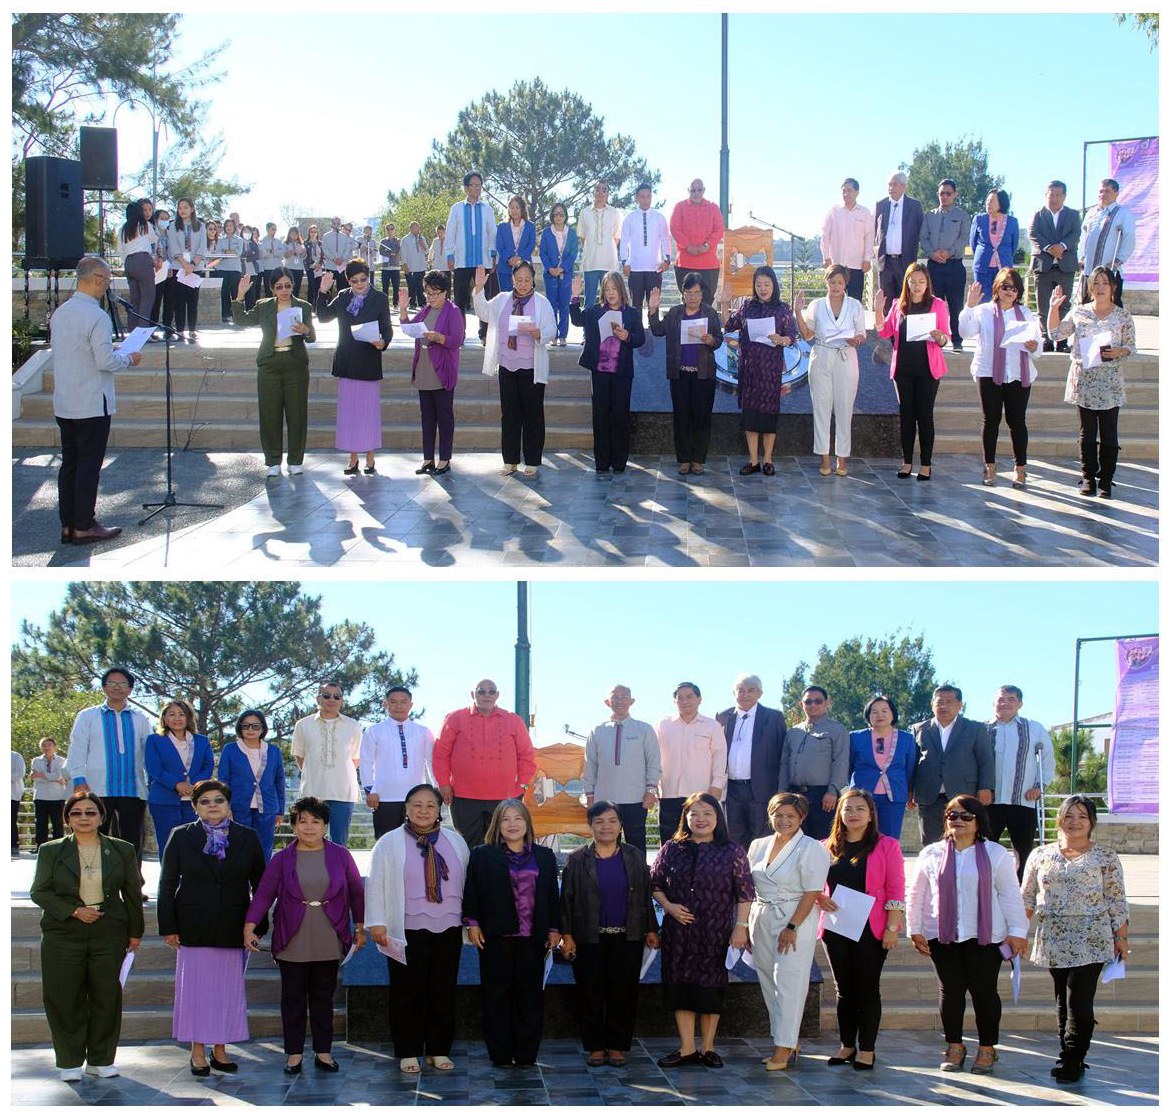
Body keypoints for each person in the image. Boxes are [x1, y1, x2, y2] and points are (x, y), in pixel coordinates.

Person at [907, 795, 1028, 1075]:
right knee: (950, 992)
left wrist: (1018, 931)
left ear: (978, 821)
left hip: (986, 936)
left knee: (984, 992)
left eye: (965, 816)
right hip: (941, 934)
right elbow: (917, 893)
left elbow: (1010, 894)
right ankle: (954, 1046)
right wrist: (914, 928)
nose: (958, 821)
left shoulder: (996, 854)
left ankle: (987, 1049)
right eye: (952, 815)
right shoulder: (931, 853)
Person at [245, 797, 366, 1075]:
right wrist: (250, 925)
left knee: (323, 998)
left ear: (325, 825)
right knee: (293, 999)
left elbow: (356, 893)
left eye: (316, 821)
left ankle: (324, 1052)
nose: (309, 827)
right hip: (292, 937)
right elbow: (263, 894)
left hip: (329, 935)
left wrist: (359, 927)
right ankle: (294, 1054)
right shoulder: (282, 859)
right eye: (303, 821)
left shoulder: (341, 855)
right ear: (294, 826)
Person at [31, 790, 144, 1081]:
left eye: (90, 812)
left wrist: (135, 933)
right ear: (67, 817)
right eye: (77, 812)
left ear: (101, 817)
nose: (84, 818)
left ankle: (101, 1059)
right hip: (64, 933)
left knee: (107, 996)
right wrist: (74, 911)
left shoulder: (123, 849)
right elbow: (39, 892)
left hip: (109, 932)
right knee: (64, 996)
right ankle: (69, 1061)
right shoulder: (51, 850)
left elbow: (132, 893)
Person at [157, 779, 266, 1076]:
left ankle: (221, 1049)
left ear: (229, 804)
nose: (212, 805)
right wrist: (168, 925)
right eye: (204, 801)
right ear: (195, 807)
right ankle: (197, 1050)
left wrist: (257, 926)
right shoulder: (181, 837)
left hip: (233, 925)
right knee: (196, 993)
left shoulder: (248, 837)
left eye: (218, 800)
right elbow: (167, 884)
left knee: (226, 992)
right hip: (193, 926)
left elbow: (261, 886)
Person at [1021, 795, 1129, 1084]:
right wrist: (1018, 933)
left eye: (1082, 816)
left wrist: (1121, 937)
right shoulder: (1040, 854)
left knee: (1078, 998)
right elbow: (1027, 896)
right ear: (1059, 820)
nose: (1075, 821)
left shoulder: (1105, 856)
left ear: (1091, 822)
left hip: (1092, 937)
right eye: (1069, 815)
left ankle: (1073, 1058)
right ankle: (1067, 1055)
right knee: (1061, 998)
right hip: (1053, 936)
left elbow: (1116, 899)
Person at [364, 783, 470, 1074]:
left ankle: (439, 1049)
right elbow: (375, 883)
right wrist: (377, 922)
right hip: (406, 928)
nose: (423, 810)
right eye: (417, 804)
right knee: (406, 991)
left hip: (448, 927)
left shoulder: (455, 841)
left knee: (443, 990)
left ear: (439, 811)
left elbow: (467, 883)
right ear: (406, 808)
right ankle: (408, 1050)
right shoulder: (389, 842)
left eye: (430, 805)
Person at [650, 792, 754, 1069]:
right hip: (679, 932)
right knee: (680, 987)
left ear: (718, 817)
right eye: (694, 813)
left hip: (715, 931)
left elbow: (745, 893)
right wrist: (669, 907)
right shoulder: (672, 848)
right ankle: (686, 1048)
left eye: (707, 812)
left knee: (711, 988)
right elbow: (656, 884)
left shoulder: (732, 851)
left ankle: (708, 1048)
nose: (701, 819)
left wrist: (740, 927)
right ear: (685, 817)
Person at [560, 800, 660, 1066]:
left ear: (620, 825)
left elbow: (645, 895)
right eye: (599, 821)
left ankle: (617, 1046)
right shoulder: (577, 858)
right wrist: (566, 935)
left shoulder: (635, 855)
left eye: (612, 820)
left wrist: (651, 928)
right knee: (590, 991)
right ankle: (594, 1046)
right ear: (590, 825)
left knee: (623, 992)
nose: (606, 826)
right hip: (588, 937)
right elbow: (566, 899)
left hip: (628, 936)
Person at [50, 256, 143, 543]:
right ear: (97, 279)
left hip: (66, 400)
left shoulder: (61, 313)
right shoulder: (97, 316)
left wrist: (111, 352)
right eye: (107, 280)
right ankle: (84, 525)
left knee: (70, 465)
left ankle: (68, 524)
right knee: (89, 466)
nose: (107, 286)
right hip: (91, 402)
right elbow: (105, 362)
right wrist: (128, 358)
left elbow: (78, 352)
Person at [462, 799, 560, 1067]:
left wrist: (554, 928)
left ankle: (527, 1054)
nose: (512, 824)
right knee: (496, 997)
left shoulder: (544, 856)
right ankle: (501, 1054)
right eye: (506, 819)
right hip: (495, 938)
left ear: (527, 822)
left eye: (518, 818)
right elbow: (472, 891)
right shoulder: (482, 854)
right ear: (497, 824)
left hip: (533, 938)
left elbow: (552, 895)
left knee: (530, 998)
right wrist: (472, 923)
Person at [816, 789, 906, 1072]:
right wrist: (820, 897)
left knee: (867, 988)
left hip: (872, 927)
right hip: (835, 926)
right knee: (844, 989)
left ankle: (867, 1048)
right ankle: (846, 1045)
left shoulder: (887, 846)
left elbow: (896, 888)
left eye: (859, 809)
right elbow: (812, 884)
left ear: (870, 815)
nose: (853, 814)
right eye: (847, 809)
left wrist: (893, 926)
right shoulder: (824, 846)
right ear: (839, 814)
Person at [747, 793, 829, 1070]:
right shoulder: (758, 845)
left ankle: (784, 1046)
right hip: (762, 915)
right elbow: (748, 887)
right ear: (770, 815)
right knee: (768, 979)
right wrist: (745, 924)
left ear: (801, 818)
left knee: (789, 982)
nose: (783, 821)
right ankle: (784, 1039)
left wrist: (792, 926)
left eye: (790, 816)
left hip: (795, 917)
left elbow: (812, 891)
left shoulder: (811, 848)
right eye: (778, 815)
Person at [1047, 267, 1136, 498]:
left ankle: (1106, 480)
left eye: (1105, 283)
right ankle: (1088, 477)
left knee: (1109, 434)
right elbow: (1056, 334)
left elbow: (1131, 347)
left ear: (1113, 288)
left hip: (1110, 382)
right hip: (1085, 380)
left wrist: (1119, 351)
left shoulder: (1122, 316)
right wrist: (1054, 308)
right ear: (1089, 288)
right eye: (1095, 283)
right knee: (1087, 433)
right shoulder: (1080, 312)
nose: (1100, 288)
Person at [473, 261, 557, 478]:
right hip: (507, 366)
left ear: (533, 280)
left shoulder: (542, 303)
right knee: (509, 415)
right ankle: (510, 460)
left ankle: (532, 460)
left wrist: (539, 332)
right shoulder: (502, 300)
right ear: (512, 279)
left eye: (527, 280)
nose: (522, 284)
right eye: (518, 279)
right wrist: (479, 289)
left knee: (533, 415)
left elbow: (552, 329)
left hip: (531, 366)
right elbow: (483, 312)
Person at [959, 268, 1040, 489]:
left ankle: (1020, 469)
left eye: (1014, 288)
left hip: (1017, 374)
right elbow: (965, 332)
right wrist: (969, 305)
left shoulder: (1026, 313)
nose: (1009, 292)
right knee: (991, 420)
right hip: (988, 372)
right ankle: (990, 466)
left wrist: (1033, 346)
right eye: (1005, 286)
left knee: (1017, 422)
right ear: (997, 287)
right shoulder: (984, 311)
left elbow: (1037, 346)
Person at [232, 266, 316, 478]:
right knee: (270, 414)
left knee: (297, 414)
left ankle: (295, 460)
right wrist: (240, 296)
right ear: (272, 288)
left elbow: (312, 336)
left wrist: (305, 330)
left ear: (293, 286)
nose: (284, 290)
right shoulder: (264, 306)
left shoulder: (303, 306)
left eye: (288, 286)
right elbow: (241, 319)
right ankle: (272, 460)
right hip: (270, 363)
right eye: (279, 287)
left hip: (295, 363)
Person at [433, 679, 536, 848]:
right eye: (481, 691)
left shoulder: (514, 721)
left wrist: (522, 786)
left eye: (491, 691)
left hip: (504, 796)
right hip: (464, 796)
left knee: (502, 844)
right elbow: (440, 754)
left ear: (497, 695)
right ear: (473, 694)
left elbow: (527, 757)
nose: (486, 695)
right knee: (467, 846)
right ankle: (470, 876)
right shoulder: (455, 718)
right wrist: (443, 784)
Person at [873, 262, 951, 480]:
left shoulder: (937, 305)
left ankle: (926, 464)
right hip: (903, 369)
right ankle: (907, 462)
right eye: (912, 281)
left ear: (927, 284)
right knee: (906, 416)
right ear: (907, 283)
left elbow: (946, 337)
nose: (916, 286)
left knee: (924, 416)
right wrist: (879, 310)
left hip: (928, 369)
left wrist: (939, 337)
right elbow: (884, 331)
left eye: (921, 282)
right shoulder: (899, 305)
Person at [68, 667, 151, 871]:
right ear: (104, 687)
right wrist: (79, 780)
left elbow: (148, 753)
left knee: (132, 841)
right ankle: (94, 883)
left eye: (122, 684)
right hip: (97, 789)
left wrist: (151, 782)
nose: (117, 687)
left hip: (133, 789)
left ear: (130, 689)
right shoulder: (88, 716)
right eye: (112, 683)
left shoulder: (140, 718)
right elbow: (76, 748)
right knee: (95, 837)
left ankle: (133, 885)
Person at [317, 260, 393, 477]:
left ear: (368, 277)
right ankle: (352, 458)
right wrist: (323, 291)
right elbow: (323, 317)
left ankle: (370, 456)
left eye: (363, 279)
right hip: (348, 361)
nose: (359, 284)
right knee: (350, 413)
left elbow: (387, 329)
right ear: (348, 281)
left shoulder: (379, 298)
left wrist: (383, 342)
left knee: (368, 412)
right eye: (354, 281)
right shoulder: (342, 297)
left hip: (369, 361)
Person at [722, 265, 798, 476]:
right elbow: (728, 325)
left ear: (774, 285)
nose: (763, 288)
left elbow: (792, 336)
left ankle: (768, 460)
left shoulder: (782, 309)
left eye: (767, 284)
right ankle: (753, 460)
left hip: (771, 372)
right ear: (754, 286)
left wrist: (782, 339)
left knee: (768, 417)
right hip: (750, 371)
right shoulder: (748, 307)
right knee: (751, 417)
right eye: (758, 284)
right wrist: (725, 302)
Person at [793, 266, 867, 477]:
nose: (836, 286)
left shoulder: (854, 305)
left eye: (840, 282)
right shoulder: (816, 305)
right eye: (832, 282)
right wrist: (798, 311)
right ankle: (824, 456)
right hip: (821, 356)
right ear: (826, 283)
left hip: (846, 356)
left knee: (844, 408)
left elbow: (861, 335)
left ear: (846, 284)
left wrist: (856, 340)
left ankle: (842, 457)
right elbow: (807, 335)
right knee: (821, 408)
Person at [570, 270, 646, 473]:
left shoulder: (631, 313)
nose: (611, 292)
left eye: (614, 288)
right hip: (600, 371)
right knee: (601, 416)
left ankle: (620, 461)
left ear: (621, 290)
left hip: (621, 373)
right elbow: (577, 320)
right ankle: (602, 461)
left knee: (620, 416)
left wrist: (627, 336)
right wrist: (575, 297)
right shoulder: (595, 311)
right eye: (607, 289)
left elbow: (640, 338)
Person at [646, 276, 722, 474]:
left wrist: (711, 340)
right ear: (683, 294)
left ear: (702, 294)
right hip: (680, 374)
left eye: (697, 293)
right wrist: (653, 310)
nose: (693, 297)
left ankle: (698, 459)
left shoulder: (710, 313)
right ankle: (684, 459)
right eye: (689, 293)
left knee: (701, 416)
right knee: (682, 417)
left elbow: (719, 339)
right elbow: (657, 330)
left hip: (703, 375)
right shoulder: (674, 313)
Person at [397, 269, 466, 476]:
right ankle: (428, 458)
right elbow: (410, 327)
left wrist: (439, 337)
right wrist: (402, 311)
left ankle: (444, 459)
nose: (431, 298)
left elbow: (457, 340)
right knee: (427, 418)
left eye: (435, 293)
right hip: (424, 369)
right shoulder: (426, 310)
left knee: (444, 417)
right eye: (428, 293)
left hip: (442, 370)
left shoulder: (452, 311)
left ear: (445, 292)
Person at [910, 685, 995, 846]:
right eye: (940, 702)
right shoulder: (919, 729)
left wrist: (986, 787)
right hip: (929, 796)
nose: (944, 706)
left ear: (959, 705)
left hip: (964, 794)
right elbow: (912, 762)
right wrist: (909, 790)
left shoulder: (975, 728)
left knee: (964, 841)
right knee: (931, 844)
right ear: (932, 704)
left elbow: (986, 760)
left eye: (949, 702)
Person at [582, 685, 661, 851]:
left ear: (631, 701)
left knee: (636, 844)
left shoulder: (644, 729)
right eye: (615, 697)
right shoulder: (597, 731)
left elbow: (653, 762)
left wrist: (651, 791)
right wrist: (589, 794)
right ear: (607, 702)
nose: (619, 701)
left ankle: (638, 876)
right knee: (605, 843)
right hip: (605, 800)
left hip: (636, 799)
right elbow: (590, 764)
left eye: (624, 697)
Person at [987, 686, 1053, 882]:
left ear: (1020, 704)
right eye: (1000, 699)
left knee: (1024, 850)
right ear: (993, 703)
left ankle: (1022, 889)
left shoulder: (1034, 728)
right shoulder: (982, 729)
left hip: (1023, 800)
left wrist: (1039, 786)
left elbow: (1047, 759)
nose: (1005, 703)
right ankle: (988, 886)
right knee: (986, 848)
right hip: (990, 801)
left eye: (1011, 698)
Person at [715, 674, 788, 848]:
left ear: (760, 693)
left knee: (762, 839)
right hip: (731, 790)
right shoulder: (724, 717)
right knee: (733, 839)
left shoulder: (773, 717)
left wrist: (782, 789)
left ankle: (760, 875)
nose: (745, 694)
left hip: (762, 789)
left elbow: (783, 754)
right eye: (740, 690)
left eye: (750, 690)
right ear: (734, 693)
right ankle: (737, 874)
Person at [290, 682, 363, 846]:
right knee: (309, 839)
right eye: (327, 695)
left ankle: (338, 872)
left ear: (342, 700)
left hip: (343, 793)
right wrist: (316, 774)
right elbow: (300, 756)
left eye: (337, 696)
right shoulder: (303, 725)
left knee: (339, 842)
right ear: (318, 698)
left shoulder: (353, 726)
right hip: (312, 792)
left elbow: (355, 759)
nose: (332, 699)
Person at [655, 682, 727, 846]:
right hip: (669, 793)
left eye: (689, 697)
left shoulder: (712, 726)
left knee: (702, 840)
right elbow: (652, 757)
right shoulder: (662, 725)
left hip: (701, 794)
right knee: (670, 842)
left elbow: (720, 756)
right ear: (675, 701)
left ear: (699, 699)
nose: (685, 701)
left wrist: (717, 784)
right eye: (680, 698)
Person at [360, 686, 435, 840]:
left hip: (416, 799)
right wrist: (369, 790)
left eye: (403, 702)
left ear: (411, 705)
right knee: (386, 844)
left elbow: (431, 761)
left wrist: (436, 789)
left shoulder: (423, 732)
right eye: (393, 702)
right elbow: (366, 761)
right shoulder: (374, 731)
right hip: (384, 797)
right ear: (385, 704)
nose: (398, 706)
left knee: (419, 843)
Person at [145, 698, 215, 858]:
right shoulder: (155, 740)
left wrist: (194, 786)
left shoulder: (202, 741)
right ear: (164, 718)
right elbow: (154, 768)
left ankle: (190, 883)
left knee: (193, 846)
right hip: (164, 801)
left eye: (181, 714)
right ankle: (169, 883)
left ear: (188, 717)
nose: (177, 718)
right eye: (172, 714)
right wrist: (177, 784)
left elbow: (208, 766)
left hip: (194, 802)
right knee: (168, 846)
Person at [217, 709, 286, 862]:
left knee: (264, 848)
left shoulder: (273, 751)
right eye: (245, 726)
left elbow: (279, 782)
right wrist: (225, 807)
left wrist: (280, 810)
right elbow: (223, 780)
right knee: (238, 847)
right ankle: (240, 885)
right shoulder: (230, 749)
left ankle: (261, 884)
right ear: (239, 728)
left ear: (262, 728)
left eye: (255, 726)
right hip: (238, 807)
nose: (250, 730)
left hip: (267, 808)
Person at [847, 695, 917, 839]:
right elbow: (848, 766)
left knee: (889, 839)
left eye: (885, 710)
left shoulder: (906, 738)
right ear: (868, 716)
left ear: (893, 714)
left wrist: (909, 791)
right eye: (874, 711)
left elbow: (909, 769)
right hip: (862, 797)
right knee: (861, 837)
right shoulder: (855, 737)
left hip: (894, 796)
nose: (880, 715)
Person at [1029, 181, 1081, 352]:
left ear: (1064, 196)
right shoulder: (1038, 214)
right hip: (1044, 266)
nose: (1054, 198)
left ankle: (1062, 340)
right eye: (1051, 194)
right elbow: (1033, 234)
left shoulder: (1073, 215)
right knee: (1043, 304)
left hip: (1065, 266)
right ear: (1046, 195)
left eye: (1058, 195)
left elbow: (1075, 234)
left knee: (1064, 305)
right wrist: (1050, 248)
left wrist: (1062, 246)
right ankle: (1047, 338)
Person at [920, 179, 970, 351]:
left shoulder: (962, 216)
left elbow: (963, 239)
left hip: (954, 266)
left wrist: (949, 253)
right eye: (942, 193)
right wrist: (932, 253)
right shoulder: (929, 215)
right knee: (933, 305)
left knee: (956, 305)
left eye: (948, 193)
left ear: (955, 195)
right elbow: (924, 238)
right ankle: (935, 340)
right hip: (934, 267)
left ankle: (957, 341)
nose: (945, 197)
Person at [445, 172, 498, 324]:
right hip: (461, 261)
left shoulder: (487, 208)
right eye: (473, 185)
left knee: (484, 299)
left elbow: (492, 232)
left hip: (483, 261)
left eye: (479, 185)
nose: (476, 188)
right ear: (466, 188)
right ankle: (459, 334)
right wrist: (449, 255)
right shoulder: (456, 208)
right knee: (460, 300)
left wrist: (494, 254)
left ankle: (485, 334)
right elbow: (450, 233)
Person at [1077, 178, 1135, 306]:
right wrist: (1081, 257)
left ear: (1116, 193)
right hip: (1089, 270)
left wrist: (1118, 260)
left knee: (1112, 305)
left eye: (1107, 191)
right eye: (1101, 191)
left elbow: (1129, 238)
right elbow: (1084, 237)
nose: (1103, 195)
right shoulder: (1091, 213)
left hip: (1110, 270)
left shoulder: (1123, 213)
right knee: (1086, 304)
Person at [874, 171, 924, 313]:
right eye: (889, 184)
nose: (891, 187)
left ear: (903, 186)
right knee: (886, 302)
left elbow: (921, 230)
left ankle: (904, 332)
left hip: (905, 261)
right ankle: (889, 334)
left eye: (894, 184)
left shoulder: (914, 206)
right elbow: (875, 230)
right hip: (886, 262)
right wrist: (875, 250)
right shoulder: (881, 204)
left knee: (906, 299)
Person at [670, 179, 725, 306]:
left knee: (706, 303)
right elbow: (674, 228)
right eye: (693, 190)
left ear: (704, 190)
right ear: (688, 190)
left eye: (699, 190)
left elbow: (719, 229)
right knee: (687, 303)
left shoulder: (713, 208)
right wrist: (687, 246)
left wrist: (706, 246)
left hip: (708, 265)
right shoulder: (679, 207)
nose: (696, 193)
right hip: (685, 263)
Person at [620, 182, 672, 310]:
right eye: (642, 196)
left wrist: (667, 261)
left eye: (648, 196)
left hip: (654, 268)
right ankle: (636, 330)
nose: (645, 199)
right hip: (635, 268)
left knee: (653, 304)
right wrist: (625, 262)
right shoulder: (630, 218)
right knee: (636, 304)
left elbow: (665, 239)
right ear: (637, 198)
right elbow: (624, 241)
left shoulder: (659, 218)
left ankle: (654, 329)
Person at [820, 178, 873, 303]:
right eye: (844, 191)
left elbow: (869, 237)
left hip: (856, 266)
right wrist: (826, 257)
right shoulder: (833, 211)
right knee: (835, 302)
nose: (846, 194)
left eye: (849, 190)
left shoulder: (865, 213)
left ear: (857, 192)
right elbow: (824, 235)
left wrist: (867, 259)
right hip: (836, 265)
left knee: (855, 303)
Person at [164, 198, 207, 343]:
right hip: (179, 267)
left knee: (192, 300)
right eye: (180, 208)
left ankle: (193, 330)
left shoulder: (200, 226)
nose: (182, 210)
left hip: (196, 267)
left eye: (185, 207)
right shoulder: (172, 226)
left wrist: (193, 265)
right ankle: (181, 330)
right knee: (179, 301)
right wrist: (184, 264)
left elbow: (202, 247)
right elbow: (173, 246)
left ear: (192, 209)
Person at [577, 180, 623, 308]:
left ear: (608, 194)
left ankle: (610, 328)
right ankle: (588, 328)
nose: (600, 192)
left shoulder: (615, 213)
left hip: (608, 262)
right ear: (593, 192)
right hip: (590, 263)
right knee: (589, 300)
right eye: (597, 189)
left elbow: (616, 237)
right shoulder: (584, 213)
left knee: (610, 300)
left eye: (604, 190)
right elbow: (582, 237)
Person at [538, 203, 578, 346]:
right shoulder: (547, 232)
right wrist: (550, 268)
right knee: (552, 305)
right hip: (550, 274)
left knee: (564, 305)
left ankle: (563, 335)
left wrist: (562, 268)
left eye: (561, 214)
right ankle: (553, 334)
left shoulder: (571, 233)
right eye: (556, 214)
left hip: (565, 274)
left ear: (565, 216)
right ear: (552, 216)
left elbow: (574, 253)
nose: (558, 217)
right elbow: (543, 252)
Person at [119, 199, 162, 328]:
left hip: (128, 262)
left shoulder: (123, 228)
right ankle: (142, 331)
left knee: (135, 300)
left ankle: (132, 330)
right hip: (142, 261)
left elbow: (120, 250)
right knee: (148, 297)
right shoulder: (145, 225)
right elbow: (155, 239)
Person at [969, 190, 1019, 300]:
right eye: (987, 201)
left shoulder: (1012, 222)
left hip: (1003, 267)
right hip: (982, 267)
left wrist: (1003, 255)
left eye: (992, 201)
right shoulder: (979, 219)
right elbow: (973, 243)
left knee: (1002, 300)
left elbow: (1013, 246)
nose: (988, 203)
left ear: (1001, 203)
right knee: (983, 300)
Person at [30, 737, 71, 848]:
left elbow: (59, 775)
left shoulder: (62, 761)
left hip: (57, 797)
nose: (47, 747)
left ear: (54, 747)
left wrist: (43, 775)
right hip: (40, 796)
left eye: (49, 745)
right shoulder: (36, 760)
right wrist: (53, 778)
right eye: (44, 745)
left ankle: (58, 847)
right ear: (40, 747)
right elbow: (35, 777)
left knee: (57, 823)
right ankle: (40, 846)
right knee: (40, 823)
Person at [494, 196, 536, 295]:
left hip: (524, 269)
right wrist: (509, 259)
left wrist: (519, 259)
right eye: (512, 207)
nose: (514, 210)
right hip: (505, 268)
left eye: (517, 207)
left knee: (524, 299)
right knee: (506, 299)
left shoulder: (530, 226)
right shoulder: (502, 226)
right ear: (508, 209)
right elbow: (499, 246)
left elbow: (531, 245)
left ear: (522, 209)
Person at [216, 218, 244, 323]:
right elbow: (218, 253)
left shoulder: (239, 240)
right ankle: (225, 314)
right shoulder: (220, 239)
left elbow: (238, 253)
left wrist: (226, 252)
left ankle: (237, 315)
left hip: (235, 269)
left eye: (231, 226)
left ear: (234, 227)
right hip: (222, 268)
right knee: (224, 292)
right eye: (227, 226)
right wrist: (228, 252)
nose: (229, 228)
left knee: (235, 292)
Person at [402, 221, 430, 310]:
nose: (417, 229)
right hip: (411, 267)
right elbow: (403, 253)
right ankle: (412, 303)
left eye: (418, 227)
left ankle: (422, 302)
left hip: (421, 266)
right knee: (411, 286)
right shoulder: (405, 239)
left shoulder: (422, 238)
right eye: (415, 227)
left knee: (420, 286)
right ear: (411, 228)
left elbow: (427, 251)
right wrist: (405, 264)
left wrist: (422, 244)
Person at [321, 217, 355, 288]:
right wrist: (333, 259)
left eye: (338, 223)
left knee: (342, 288)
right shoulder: (326, 236)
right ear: (331, 224)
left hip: (341, 267)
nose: (336, 225)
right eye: (334, 223)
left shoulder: (344, 236)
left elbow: (347, 249)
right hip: (330, 266)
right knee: (328, 289)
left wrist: (342, 258)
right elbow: (325, 249)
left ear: (340, 224)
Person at [258, 223, 285, 297]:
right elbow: (263, 254)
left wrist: (271, 251)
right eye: (273, 229)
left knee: (278, 287)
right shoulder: (262, 241)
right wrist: (275, 252)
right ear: (267, 229)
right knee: (268, 289)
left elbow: (282, 253)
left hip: (277, 268)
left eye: (275, 229)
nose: (274, 231)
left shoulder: (279, 241)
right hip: (267, 268)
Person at [378, 222, 402, 301]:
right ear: (386, 231)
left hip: (395, 267)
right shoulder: (383, 241)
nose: (390, 231)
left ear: (394, 230)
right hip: (385, 267)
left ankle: (395, 303)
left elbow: (398, 251)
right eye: (388, 229)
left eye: (391, 229)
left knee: (396, 287)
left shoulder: (398, 241)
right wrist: (390, 253)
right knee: (385, 287)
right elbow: (381, 252)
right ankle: (385, 303)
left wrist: (392, 252)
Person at [240, 226, 262, 310]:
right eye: (245, 231)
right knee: (242, 292)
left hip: (253, 270)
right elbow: (240, 254)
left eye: (249, 231)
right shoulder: (239, 242)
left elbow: (256, 255)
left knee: (252, 293)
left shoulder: (254, 243)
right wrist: (249, 253)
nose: (246, 233)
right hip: (242, 271)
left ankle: (251, 311)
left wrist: (247, 257)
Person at [303, 224, 324, 305]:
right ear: (309, 233)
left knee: (318, 288)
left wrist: (320, 264)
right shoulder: (305, 243)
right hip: (310, 268)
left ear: (317, 233)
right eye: (311, 232)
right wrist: (311, 264)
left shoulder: (320, 243)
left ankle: (317, 307)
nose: (313, 233)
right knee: (311, 288)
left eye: (315, 232)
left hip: (319, 268)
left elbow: (323, 256)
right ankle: (310, 306)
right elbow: (305, 257)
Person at [282, 226, 306, 299]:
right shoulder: (285, 243)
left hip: (299, 268)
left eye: (296, 234)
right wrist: (292, 251)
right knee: (289, 287)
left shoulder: (301, 244)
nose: (294, 236)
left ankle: (295, 304)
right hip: (289, 268)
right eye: (292, 234)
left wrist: (304, 253)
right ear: (289, 234)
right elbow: (284, 255)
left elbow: (303, 257)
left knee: (297, 288)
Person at [12, 749, 26, 855]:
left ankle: (13, 845)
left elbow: (20, 774)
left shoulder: (16, 756)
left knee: (11, 821)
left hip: (12, 795)